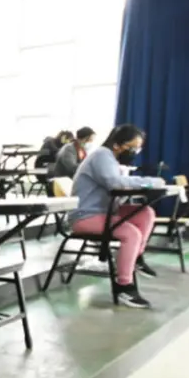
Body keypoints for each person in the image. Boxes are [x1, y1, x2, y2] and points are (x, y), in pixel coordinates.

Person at [67, 124, 165, 309]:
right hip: (85, 216)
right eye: (133, 146)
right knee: (131, 234)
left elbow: (120, 187)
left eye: (138, 147)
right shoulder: (102, 155)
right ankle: (124, 287)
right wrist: (151, 182)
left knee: (145, 213)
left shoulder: (111, 158)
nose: (135, 151)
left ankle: (136, 258)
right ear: (118, 144)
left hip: (104, 212)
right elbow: (114, 183)